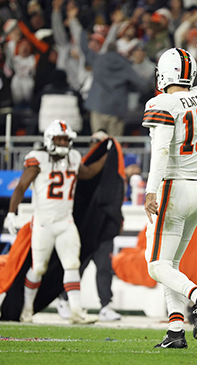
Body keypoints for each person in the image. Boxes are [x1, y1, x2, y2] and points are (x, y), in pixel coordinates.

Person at [143, 30, 197, 349]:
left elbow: (160, 151)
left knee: (156, 265)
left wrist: (150, 190)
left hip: (172, 188)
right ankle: (175, 333)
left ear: (164, 74)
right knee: (169, 266)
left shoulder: (163, 102)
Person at [5, 119, 107, 324]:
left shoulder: (74, 157)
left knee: (72, 265)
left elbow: (88, 173)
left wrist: (108, 155)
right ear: (50, 139)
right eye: (59, 139)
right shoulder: (38, 158)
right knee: (38, 268)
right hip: (43, 223)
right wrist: (11, 212)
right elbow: (21, 186)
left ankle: (76, 311)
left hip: (65, 221)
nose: (63, 143)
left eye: (65, 139)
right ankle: (26, 309)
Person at [57, 130, 125, 322]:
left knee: (104, 268)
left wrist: (117, 219)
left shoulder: (113, 172)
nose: (95, 144)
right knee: (78, 266)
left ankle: (105, 305)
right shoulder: (82, 166)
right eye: (93, 141)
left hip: (103, 227)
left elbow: (115, 198)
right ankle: (64, 299)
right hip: (86, 227)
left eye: (100, 142)